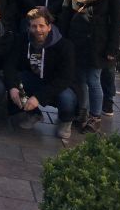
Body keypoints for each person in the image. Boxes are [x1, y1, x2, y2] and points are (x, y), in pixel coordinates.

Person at [58, 0, 120, 133]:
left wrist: (112, 47)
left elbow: (116, 19)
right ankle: (82, 112)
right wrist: (62, 40)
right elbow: (65, 12)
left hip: (97, 41)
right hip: (75, 38)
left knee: (93, 79)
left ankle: (95, 117)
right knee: (79, 79)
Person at [5, 7, 77, 139]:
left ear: (49, 26)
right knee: (17, 81)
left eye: (41, 26)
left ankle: (65, 120)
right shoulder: (21, 40)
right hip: (34, 80)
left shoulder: (65, 46)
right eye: (34, 26)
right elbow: (10, 65)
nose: (38, 30)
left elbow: (65, 78)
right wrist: (12, 87)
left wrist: (38, 97)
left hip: (57, 85)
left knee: (67, 97)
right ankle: (33, 114)